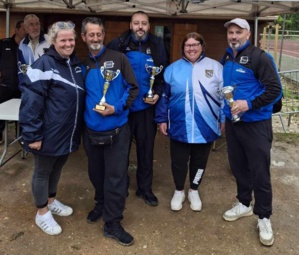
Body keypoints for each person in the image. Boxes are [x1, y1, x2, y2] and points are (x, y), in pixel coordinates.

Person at [19, 21, 85, 235]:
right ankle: (42, 213)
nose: (68, 43)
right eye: (63, 40)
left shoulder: (75, 65)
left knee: (57, 168)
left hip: (67, 133)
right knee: (42, 172)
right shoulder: (43, 65)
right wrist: (32, 135)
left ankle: (51, 200)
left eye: (71, 39)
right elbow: (31, 103)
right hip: (47, 133)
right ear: (53, 41)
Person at [221, 18, 282, 246]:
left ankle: (264, 216)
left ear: (248, 34)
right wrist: (224, 116)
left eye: (238, 32)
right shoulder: (227, 56)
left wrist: (249, 104)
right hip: (234, 123)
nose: (233, 36)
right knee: (238, 167)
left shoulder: (260, 57)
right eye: (230, 33)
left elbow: (275, 90)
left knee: (259, 172)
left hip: (256, 124)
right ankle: (244, 203)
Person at [81, 17, 138, 246]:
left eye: (99, 34)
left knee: (115, 177)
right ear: (84, 37)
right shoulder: (82, 64)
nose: (95, 38)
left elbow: (133, 88)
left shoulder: (119, 59)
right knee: (96, 174)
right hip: (91, 131)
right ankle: (100, 205)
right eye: (91, 35)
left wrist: (117, 107)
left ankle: (113, 222)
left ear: (103, 35)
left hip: (116, 130)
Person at [155, 32, 225, 212]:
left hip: (207, 126)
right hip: (179, 125)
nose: (191, 48)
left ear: (202, 46)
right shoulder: (172, 69)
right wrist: (162, 118)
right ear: (183, 48)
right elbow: (164, 97)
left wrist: (223, 118)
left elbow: (224, 96)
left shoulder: (216, 67)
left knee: (199, 162)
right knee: (178, 161)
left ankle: (194, 190)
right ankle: (179, 191)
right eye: (188, 45)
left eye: (195, 45)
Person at [106, 11, 168, 206]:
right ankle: (121, 187)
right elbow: (108, 73)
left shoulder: (157, 45)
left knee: (146, 150)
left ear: (149, 26)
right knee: (120, 151)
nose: (140, 27)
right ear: (130, 25)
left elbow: (161, 75)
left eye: (144, 23)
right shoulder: (118, 44)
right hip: (124, 107)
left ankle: (145, 189)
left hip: (146, 109)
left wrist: (157, 93)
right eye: (136, 23)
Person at [0, 20, 26, 143]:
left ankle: (20, 138)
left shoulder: (29, 46)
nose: (26, 31)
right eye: (24, 28)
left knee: (21, 113)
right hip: (6, 86)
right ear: (16, 30)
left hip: (23, 87)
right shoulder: (4, 44)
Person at [18, 14, 50, 83]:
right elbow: (22, 67)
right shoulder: (22, 44)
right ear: (26, 28)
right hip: (30, 85)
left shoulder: (49, 40)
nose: (35, 27)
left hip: (47, 84)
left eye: (37, 24)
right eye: (31, 25)